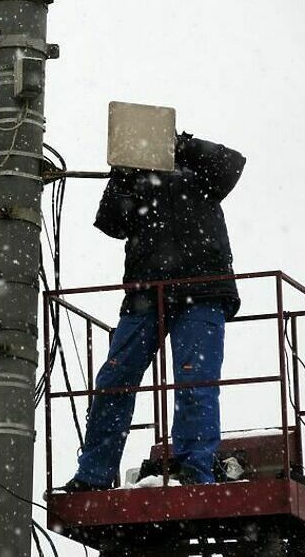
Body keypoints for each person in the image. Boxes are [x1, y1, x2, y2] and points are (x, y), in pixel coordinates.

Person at [62, 132, 247, 490]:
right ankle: (94, 475)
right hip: (150, 293)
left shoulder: (197, 167)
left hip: (198, 290)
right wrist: (121, 173)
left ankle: (195, 469)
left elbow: (232, 165)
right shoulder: (135, 178)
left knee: (194, 381)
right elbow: (111, 222)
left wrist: (180, 143)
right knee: (114, 382)